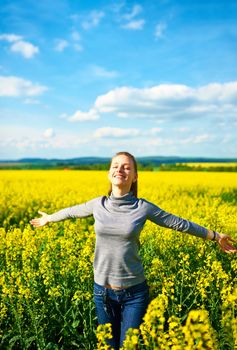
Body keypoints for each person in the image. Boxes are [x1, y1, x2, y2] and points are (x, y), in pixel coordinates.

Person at [30, 151, 236, 350]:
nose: (120, 169)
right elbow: (71, 212)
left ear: (135, 176)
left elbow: (178, 223)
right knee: (107, 346)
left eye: (127, 167)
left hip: (134, 293)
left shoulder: (142, 207)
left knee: (129, 346)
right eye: (116, 166)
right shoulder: (98, 204)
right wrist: (49, 218)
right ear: (108, 173)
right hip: (102, 291)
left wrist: (216, 236)